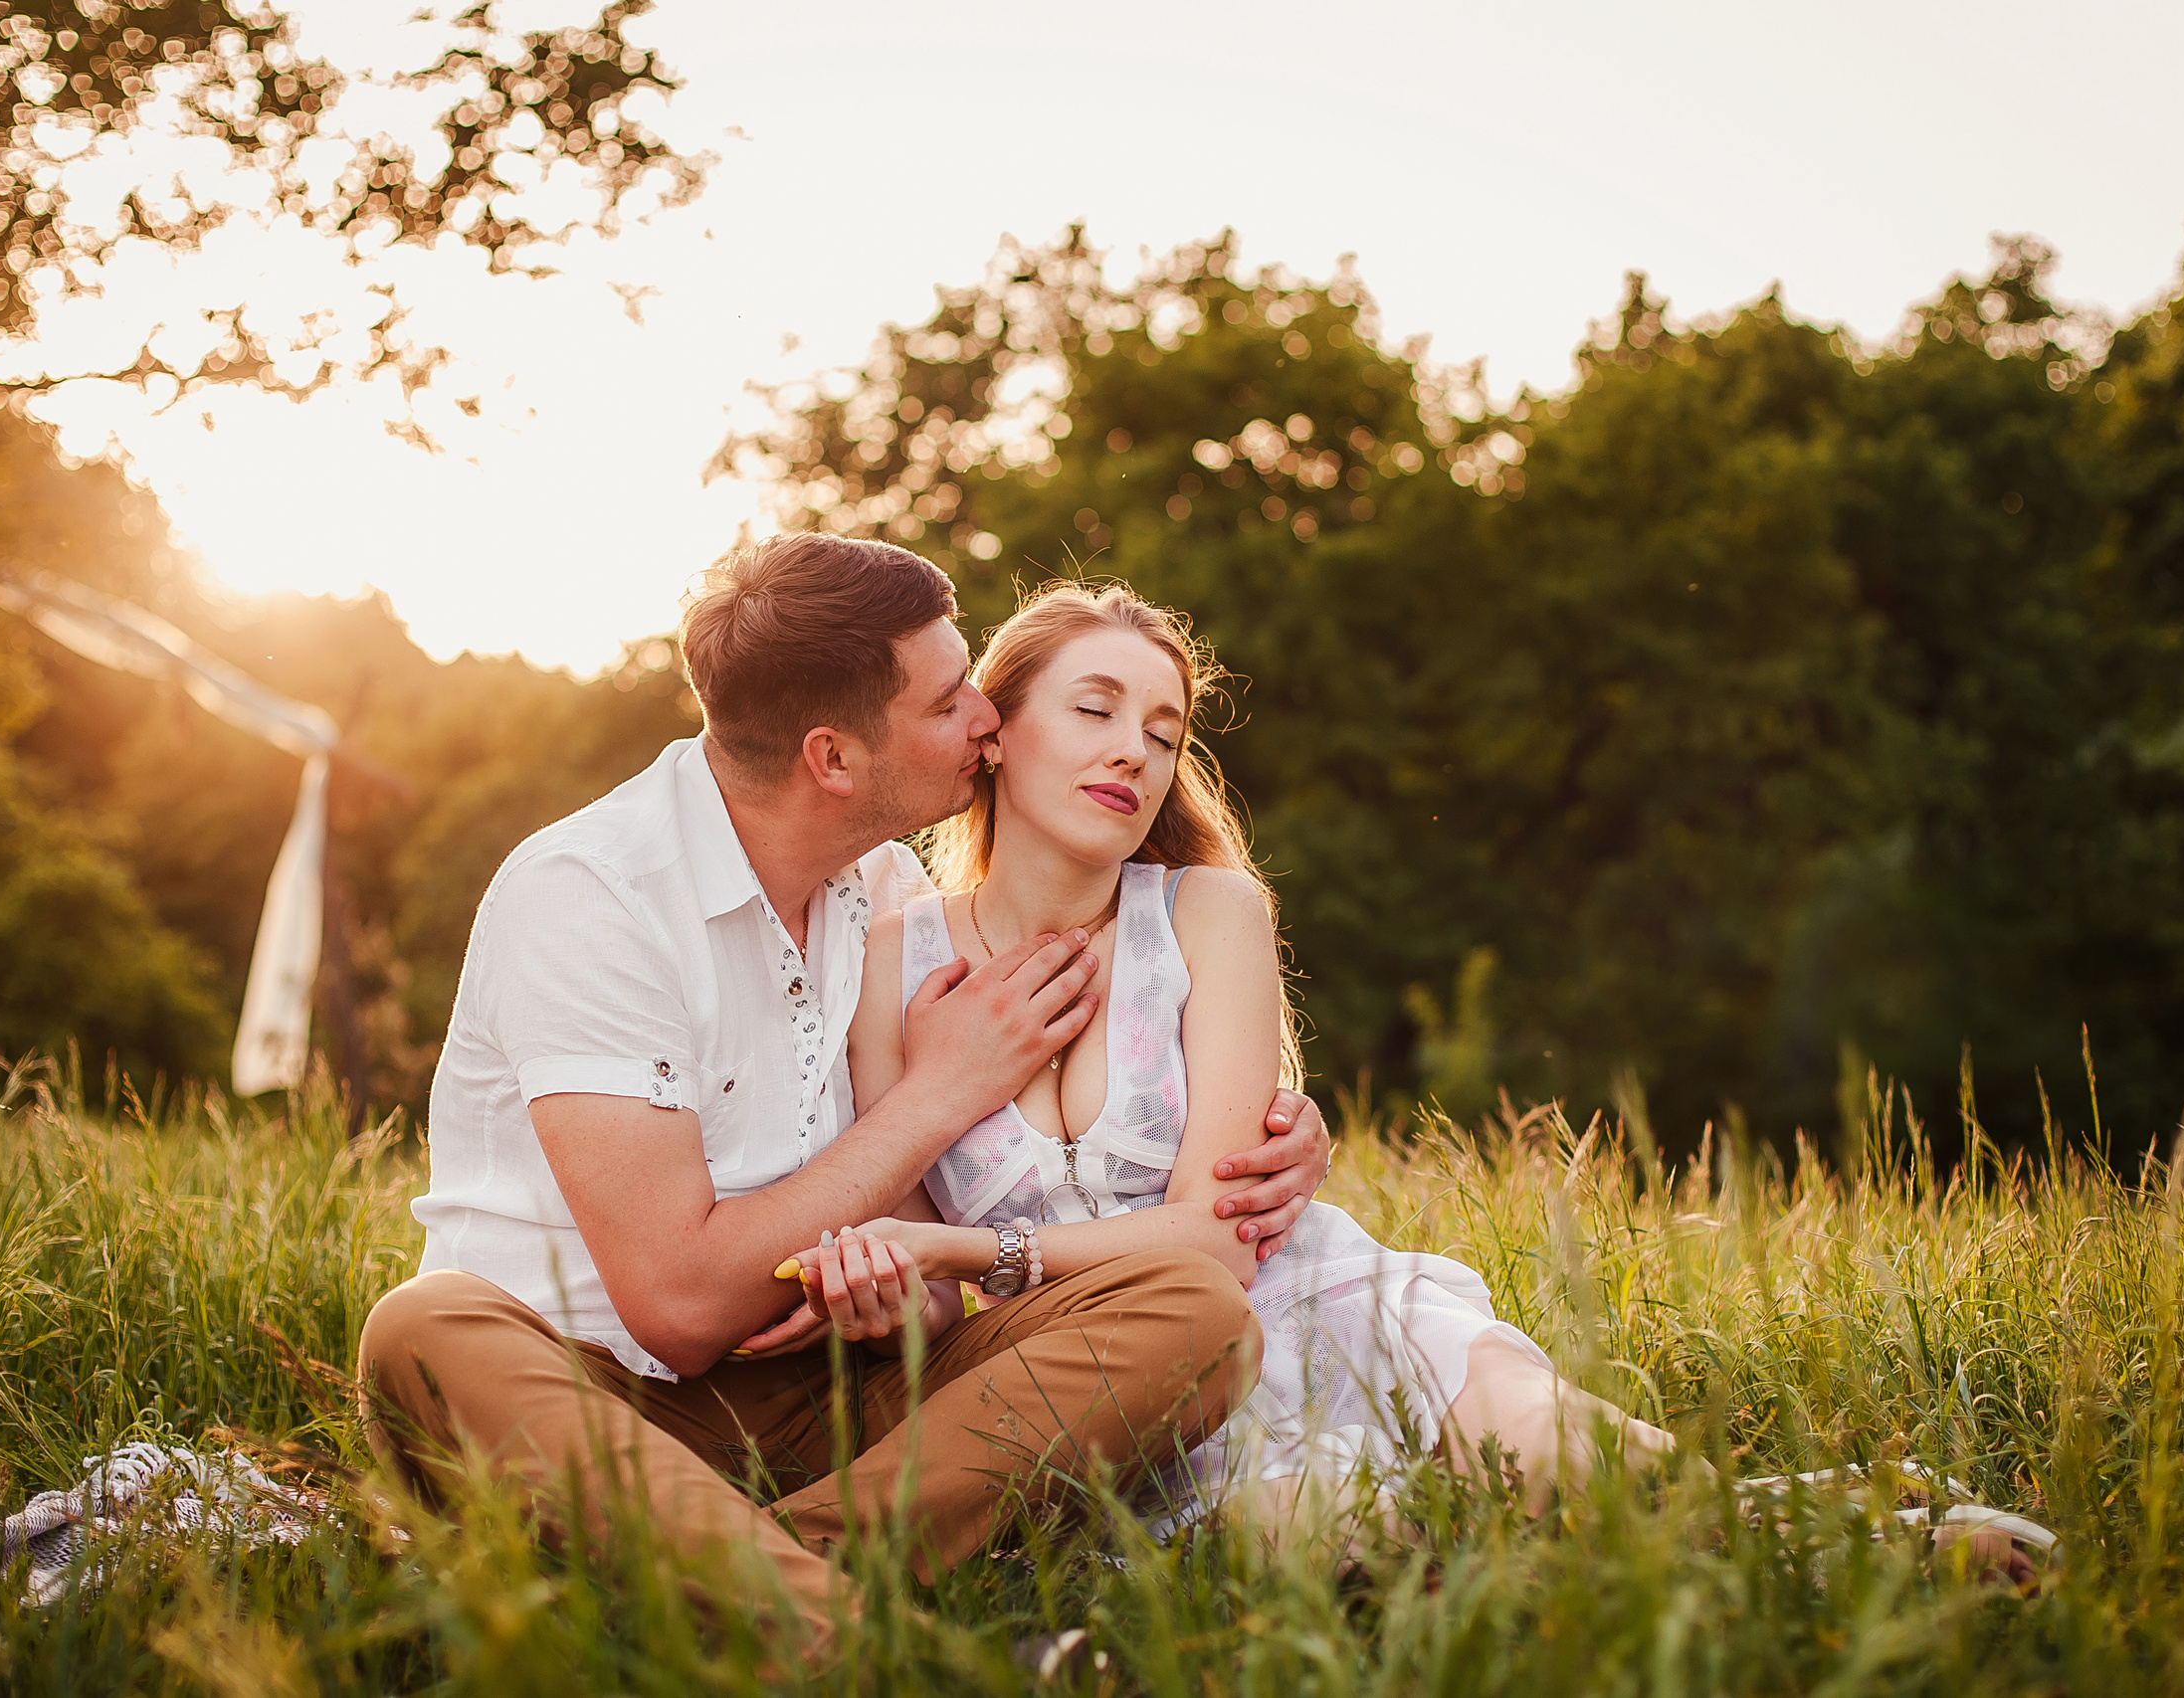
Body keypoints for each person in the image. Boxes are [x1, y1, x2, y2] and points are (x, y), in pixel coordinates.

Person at [777, 582, 2055, 1582]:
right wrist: (891, 1290)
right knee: (1323, 1533)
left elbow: (1218, 1245)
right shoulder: (890, 956)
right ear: (996, 732)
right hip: (1107, 1378)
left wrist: (950, 1245)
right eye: (1096, 709)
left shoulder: (1207, 913)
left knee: (1549, 1441)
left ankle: (1867, 1546)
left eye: (1165, 731)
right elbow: (909, 1277)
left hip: (1298, 1296)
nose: (1137, 753)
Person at [355, 538, 1333, 1658]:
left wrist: (892, 1298)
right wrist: (944, 1089)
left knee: (1193, 1315)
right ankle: (874, 1646)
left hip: (835, 1403)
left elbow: (920, 1275)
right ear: (832, 756)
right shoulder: (590, 898)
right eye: (947, 697)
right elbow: (674, 1309)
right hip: (585, 1400)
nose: (985, 716)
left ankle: (718, 1585)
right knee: (421, 1330)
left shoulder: (882, 890)